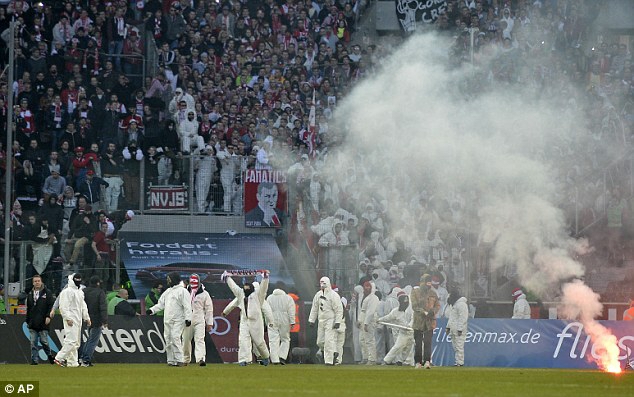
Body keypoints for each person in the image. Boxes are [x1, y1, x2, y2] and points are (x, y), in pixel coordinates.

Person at [222, 271, 272, 366]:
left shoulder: (258, 295)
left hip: (256, 321)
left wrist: (265, 278)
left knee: (259, 342)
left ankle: (265, 357)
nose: (245, 291)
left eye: (247, 289)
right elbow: (234, 288)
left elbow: (264, 288)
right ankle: (244, 360)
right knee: (243, 340)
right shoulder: (241, 294)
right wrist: (228, 278)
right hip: (244, 320)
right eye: (244, 289)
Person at [146, 271, 192, 366]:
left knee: (175, 338)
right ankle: (171, 360)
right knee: (168, 339)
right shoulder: (168, 291)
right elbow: (161, 304)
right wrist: (152, 310)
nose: (167, 281)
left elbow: (187, 306)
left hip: (179, 319)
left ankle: (180, 360)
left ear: (174, 279)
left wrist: (188, 318)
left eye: (169, 279)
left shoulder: (182, 291)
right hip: (167, 320)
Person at [54, 273, 91, 367]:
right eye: (76, 279)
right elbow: (63, 306)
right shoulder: (67, 291)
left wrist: (86, 317)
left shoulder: (80, 292)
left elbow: (83, 306)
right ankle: (59, 358)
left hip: (78, 319)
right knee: (71, 340)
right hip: (71, 319)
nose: (78, 281)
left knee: (76, 342)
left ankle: (72, 362)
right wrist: (67, 318)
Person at [308, 276, 343, 366]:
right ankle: (333, 352)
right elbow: (314, 308)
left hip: (330, 320)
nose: (322, 285)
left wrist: (337, 321)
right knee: (320, 341)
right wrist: (312, 320)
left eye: (324, 283)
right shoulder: (318, 295)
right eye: (321, 283)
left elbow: (339, 309)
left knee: (329, 340)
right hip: (321, 320)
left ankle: (329, 361)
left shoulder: (334, 295)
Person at [183, 274, 214, 366]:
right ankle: (185, 359)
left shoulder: (205, 294)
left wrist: (209, 323)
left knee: (200, 339)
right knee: (185, 340)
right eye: (192, 282)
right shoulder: (184, 292)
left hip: (199, 319)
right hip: (187, 319)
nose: (193, 284)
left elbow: (209, 309)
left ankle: (201, 359)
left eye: (195, 282)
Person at [411, 274, 440, 369]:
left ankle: (427, 361)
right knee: (418, 343)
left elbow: (437, 305)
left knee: (428, 342)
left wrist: (433, 311)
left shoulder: (433, 293)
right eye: (427, 282)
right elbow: (414, 306)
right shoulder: (415, 292)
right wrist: (423, 312)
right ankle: (418, 362)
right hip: (418, 321)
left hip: (429, 322)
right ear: (422, 282)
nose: (429, 284)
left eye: (429, 282)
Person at [25, 275, 56, 365]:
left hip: (43, 321)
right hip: (33, 322)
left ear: (41, 282)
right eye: (35, 281)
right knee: (33, 343)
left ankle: (50, 356)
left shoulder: (47, 292)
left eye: (38, 281)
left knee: (44, 341)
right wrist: (27, 320)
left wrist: (48, 316)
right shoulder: (30, 294)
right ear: (33, 283)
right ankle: (34, 360)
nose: (37, 283)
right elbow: (29, 308)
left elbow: (51, 305)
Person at [79, 276, 107, 367]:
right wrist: (104, 320)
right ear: (98, 283)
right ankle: (86, 359)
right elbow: (102, 307)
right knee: (93, 340)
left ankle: (82, 357)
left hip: (85, 318)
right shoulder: (100, 292)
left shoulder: (84, 291)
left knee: (89, 339)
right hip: (96, 319)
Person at [379, 292, 414, 366]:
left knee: (408, 348)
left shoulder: (411, 310)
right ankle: (386, 361)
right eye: (404, 303)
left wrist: (409, 326)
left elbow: (413, 319)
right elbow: (388, 317)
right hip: (403, 333)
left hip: (411, 332)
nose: (405, 304)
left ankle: (402, 361)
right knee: (398, 346)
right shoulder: (396, 311)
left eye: (406, 303)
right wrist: (380, 320)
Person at [266, 285, 296, 364]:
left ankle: (274, 359)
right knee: (285, 339)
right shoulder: (288, 298)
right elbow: (291, 310)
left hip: (272, 318)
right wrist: (292, 322)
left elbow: (266, 310)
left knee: (273, 340)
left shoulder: (269, 298)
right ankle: (282, 356)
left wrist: (267, 322)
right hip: (285, 319)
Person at [358, 280, 380, 365]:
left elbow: (370, 312)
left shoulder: (373, 298)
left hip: (369, 320)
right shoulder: (365, 297)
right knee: (362, 340)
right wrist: (360, 320)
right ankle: (365, 357)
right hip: (364, 318)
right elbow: (362, 311)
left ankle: (372, 359)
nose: (366, 289)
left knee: (369, 340)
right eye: (365, 287)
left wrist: (366, 323)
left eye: (368, 288)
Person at [446, 289, 468, 367]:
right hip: (453, 329)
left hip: (459, 330)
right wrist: (448, 327)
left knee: (459, 346)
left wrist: (460, 329)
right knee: (455, 347)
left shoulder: (462, 304)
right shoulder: (454, 305)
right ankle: (457, 361)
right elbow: (451, 317)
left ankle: (460, 362)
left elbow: (463, 317)